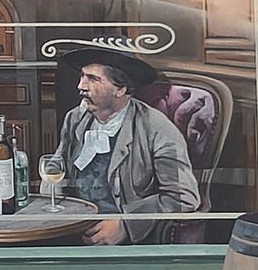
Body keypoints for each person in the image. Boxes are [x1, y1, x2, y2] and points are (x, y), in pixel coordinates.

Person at [53, 49, 199, 245]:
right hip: (72, 228)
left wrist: (126, 224)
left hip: (126, 243)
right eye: (82, 76)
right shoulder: (75, 118)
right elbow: (56, 165)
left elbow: (184, 197)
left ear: (120, 89)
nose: (81, 86)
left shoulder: (156, 128)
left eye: (93, 79)